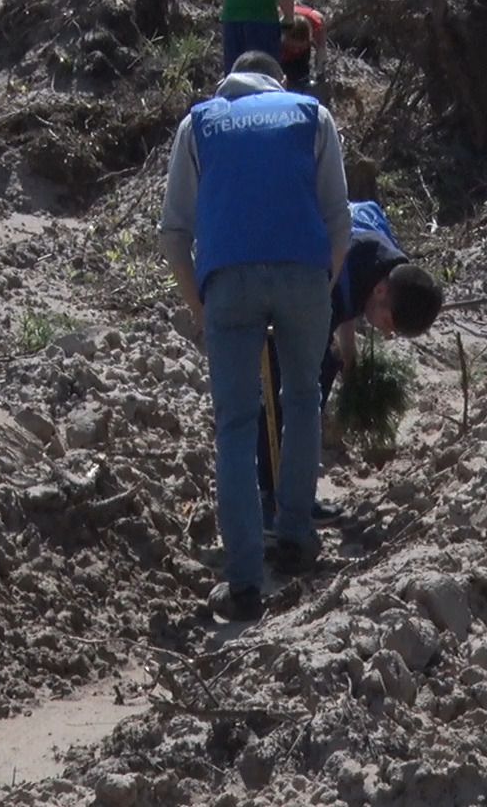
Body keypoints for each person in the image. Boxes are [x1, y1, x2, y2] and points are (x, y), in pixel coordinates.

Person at [158, 50, 353, 621]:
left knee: (236, 426)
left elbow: (174, 234)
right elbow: (339, 221)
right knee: (302, 400)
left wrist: (201, 307)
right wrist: (322, 286)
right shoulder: (311, 115)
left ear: (228, 84)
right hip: (303, 273)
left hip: (229, 280)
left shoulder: (199, 124)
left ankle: (244, 583)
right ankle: (294, 536)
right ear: (278, 82)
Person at [254, 198, 444, 528]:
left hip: (323, 281)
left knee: (327, 368)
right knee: (278, 391)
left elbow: (352, 298)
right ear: (381, 291)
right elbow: (339, 292)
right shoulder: (335, 268)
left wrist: (349, 352)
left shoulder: (391, 266)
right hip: (279, 277)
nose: (387, 333)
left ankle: (298, 494)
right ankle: (269, 497)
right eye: (389, 323)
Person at [279, 4, 325, 96]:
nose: (296, 51)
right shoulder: (273, 28)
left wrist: (319, 72)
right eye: (292, 47)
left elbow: (321, 50)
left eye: (300, 48)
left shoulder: (316, 23)